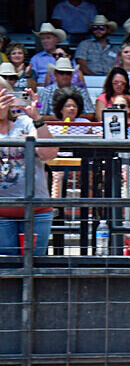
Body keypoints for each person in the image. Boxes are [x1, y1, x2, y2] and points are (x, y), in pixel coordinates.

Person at [0, 85, 58, 256]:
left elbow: (49, 154)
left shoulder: (25, 122)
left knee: (36, 266)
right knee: (6, 271)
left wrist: (37, 118)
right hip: (1, 212)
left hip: (36, 210)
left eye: (5, 95)